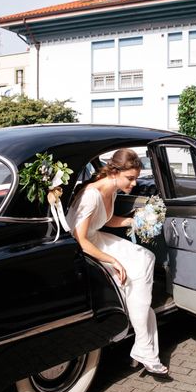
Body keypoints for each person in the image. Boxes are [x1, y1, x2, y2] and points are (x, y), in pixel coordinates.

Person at [66, 148, 169, 378]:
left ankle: (143, 347)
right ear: (114, 171)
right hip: (82, 247)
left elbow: (106, 219)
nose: (133, 184)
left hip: (96, 238)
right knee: (133, 274)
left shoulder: (111, 189)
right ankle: (144, 348)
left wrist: (135, 220)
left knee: (145, 259)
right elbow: (80, 239)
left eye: (135, 178)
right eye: (130, 178)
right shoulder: (91, 194)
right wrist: (113, 261)